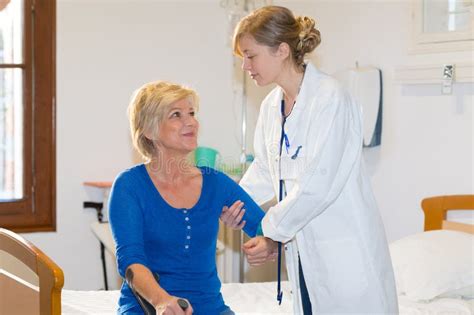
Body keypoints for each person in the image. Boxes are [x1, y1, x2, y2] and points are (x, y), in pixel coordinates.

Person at [221, 5, 398, 314]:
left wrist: (269, 231)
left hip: (343, 252)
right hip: (303, 251)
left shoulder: (331, 99)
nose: (245, 67)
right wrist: (231, 204)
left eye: (251, 55)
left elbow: (318, 184)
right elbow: (266, 169)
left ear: (281, 50)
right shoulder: (271, 107)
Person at [109, 81, 265, 315]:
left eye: (191, 113)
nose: (190, 121)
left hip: (210, 308)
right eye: (176, 115)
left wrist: (268, 243)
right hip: (148, 309)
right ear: (149, 130)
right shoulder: (129, 186)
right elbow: (130, 262)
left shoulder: (216, 183)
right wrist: (162, 300)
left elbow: (267, 227)